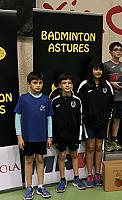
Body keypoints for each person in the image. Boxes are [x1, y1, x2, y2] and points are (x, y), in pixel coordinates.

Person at [14, 71, 53, 200]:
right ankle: (29, 187)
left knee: (40, 160)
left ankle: (41, 186)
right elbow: (17, 117)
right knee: (28, 160)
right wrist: (19, 136)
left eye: (40, 83)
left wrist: (49, 136)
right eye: (35, 83)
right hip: (28, 138)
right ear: (29, 84)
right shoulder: (23, 98)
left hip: (41, 137)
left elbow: (49, 118)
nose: (38, 85)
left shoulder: (46, 99)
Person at [77, 62, 114, 188]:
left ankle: (98, 174)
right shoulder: (84, 85)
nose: (98, 72)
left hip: (102, 122)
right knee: (90, 147)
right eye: (95, 69)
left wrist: (107, 117)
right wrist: (86, 116)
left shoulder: (107, 85)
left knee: (99, 147)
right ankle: (89, 175)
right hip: (88, 123)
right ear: (91, 70)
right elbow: (79, 103)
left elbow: (111, 103)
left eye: (100, 70)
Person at [51, 73, 86, 192]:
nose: (67, 85)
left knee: (74, 155)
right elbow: (52, 120)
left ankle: (76, 178)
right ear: (59, 85)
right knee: (61, 156)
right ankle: (62, 180)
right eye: (64, 83)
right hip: (60, 135)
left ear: (72, 85)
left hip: (74, 134)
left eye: (69, 83)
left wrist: (79, 135)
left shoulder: (77, 100)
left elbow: (80, 119)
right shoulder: (55, 101)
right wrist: (53, 136)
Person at [104, 42, 122, 152]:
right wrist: (112, 84)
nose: (118, 51)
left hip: (121, 97)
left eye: (120, 49)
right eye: (115, 49)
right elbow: (103, 80)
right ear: (110, 52)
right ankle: (106, 140)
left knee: (117, 119)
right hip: (110, 98)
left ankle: (114, 139)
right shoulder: (106, 65)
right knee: (109, 119)